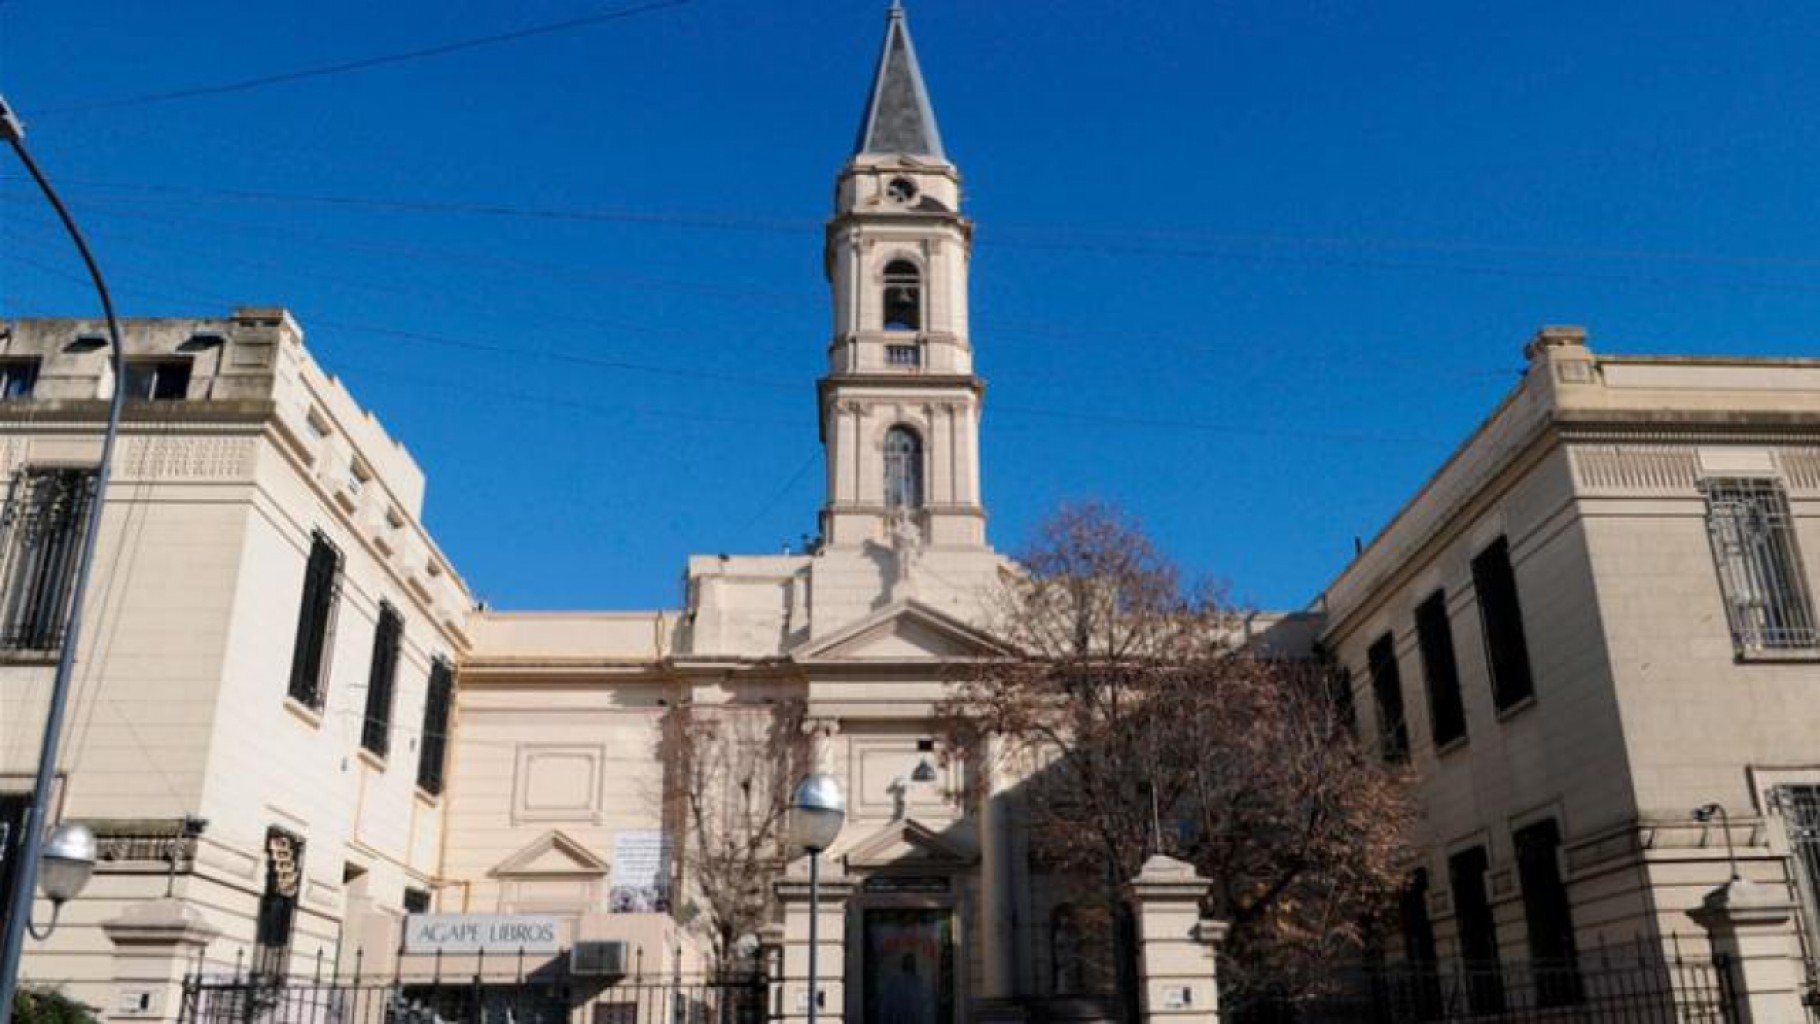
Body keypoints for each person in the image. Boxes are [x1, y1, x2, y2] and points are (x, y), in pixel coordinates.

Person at [876, 952, 935, 1024]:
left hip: (913, 1015)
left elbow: (923, 1001)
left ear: (913, 964)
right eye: (907, 962)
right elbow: (888, 1000)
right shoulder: (896, 980)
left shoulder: (918, 981)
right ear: (904, 963)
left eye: (911, 962)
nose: (909, 964)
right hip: (900, 1014)